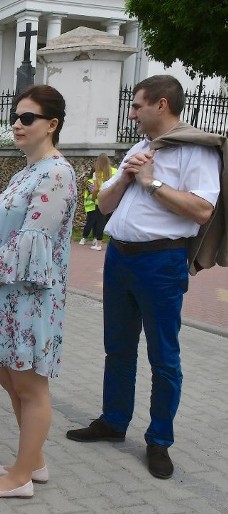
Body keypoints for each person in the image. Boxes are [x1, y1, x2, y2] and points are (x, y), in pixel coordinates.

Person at [66, 75, 223, 480]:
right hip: (120, 258)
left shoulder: (195, 150)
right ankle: (114, 422)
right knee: (117, 347)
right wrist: (124, 176)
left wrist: (151, 181)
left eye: (137, 106)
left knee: (163, 356)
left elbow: (203, 210)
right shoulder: (139, 147)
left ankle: (159, 441)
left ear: (162, 105)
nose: (132, 114)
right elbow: (102, 205)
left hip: (161, 262)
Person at [0, 85, 77, 498]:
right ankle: (33, 461)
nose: (17, 124)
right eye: (16, 116)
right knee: (9, 378)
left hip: (28, 296)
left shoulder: (57, 174)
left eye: (27, 118)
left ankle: (20, 478)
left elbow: (31, 243)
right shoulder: (25, 171)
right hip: (0, 292)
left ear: (52, 124)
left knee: (30, 386)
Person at [79, 153, 117, 251]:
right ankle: (114, 242)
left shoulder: (97, 173)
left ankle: (98, 244)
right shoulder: (115, 171)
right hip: (113, 199)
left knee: (100, 222)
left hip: (101, 200)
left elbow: (95, 189)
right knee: (113, 221)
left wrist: (93, 198)